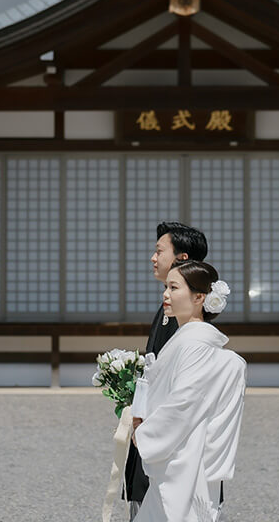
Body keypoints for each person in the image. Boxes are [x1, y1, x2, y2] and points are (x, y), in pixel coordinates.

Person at [131, 260, 246, 522]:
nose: (166, 294)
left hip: (185, 463)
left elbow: (184, 404)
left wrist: (143, 432)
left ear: (199, 297)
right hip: (177, 457)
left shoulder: (194, 344)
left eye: (173, 287)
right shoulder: (188, 340)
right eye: (165, 287)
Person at [125, 222, 208, 518]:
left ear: (181, 258)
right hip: (151, 430)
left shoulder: (189, 318)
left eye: (159, 251)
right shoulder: (168, 308)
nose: (152, 257)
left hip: (166, 440)